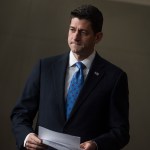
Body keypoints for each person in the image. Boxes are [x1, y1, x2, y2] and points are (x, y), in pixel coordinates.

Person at [11, 4, 130, 150]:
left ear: (97, 37)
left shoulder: (115, 77)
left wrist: (97, 145)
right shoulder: (45, 67)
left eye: (83, 32)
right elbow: (20, 113)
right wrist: (26, 136)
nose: (75, 37)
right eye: (72, 29)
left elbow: (121, 132)